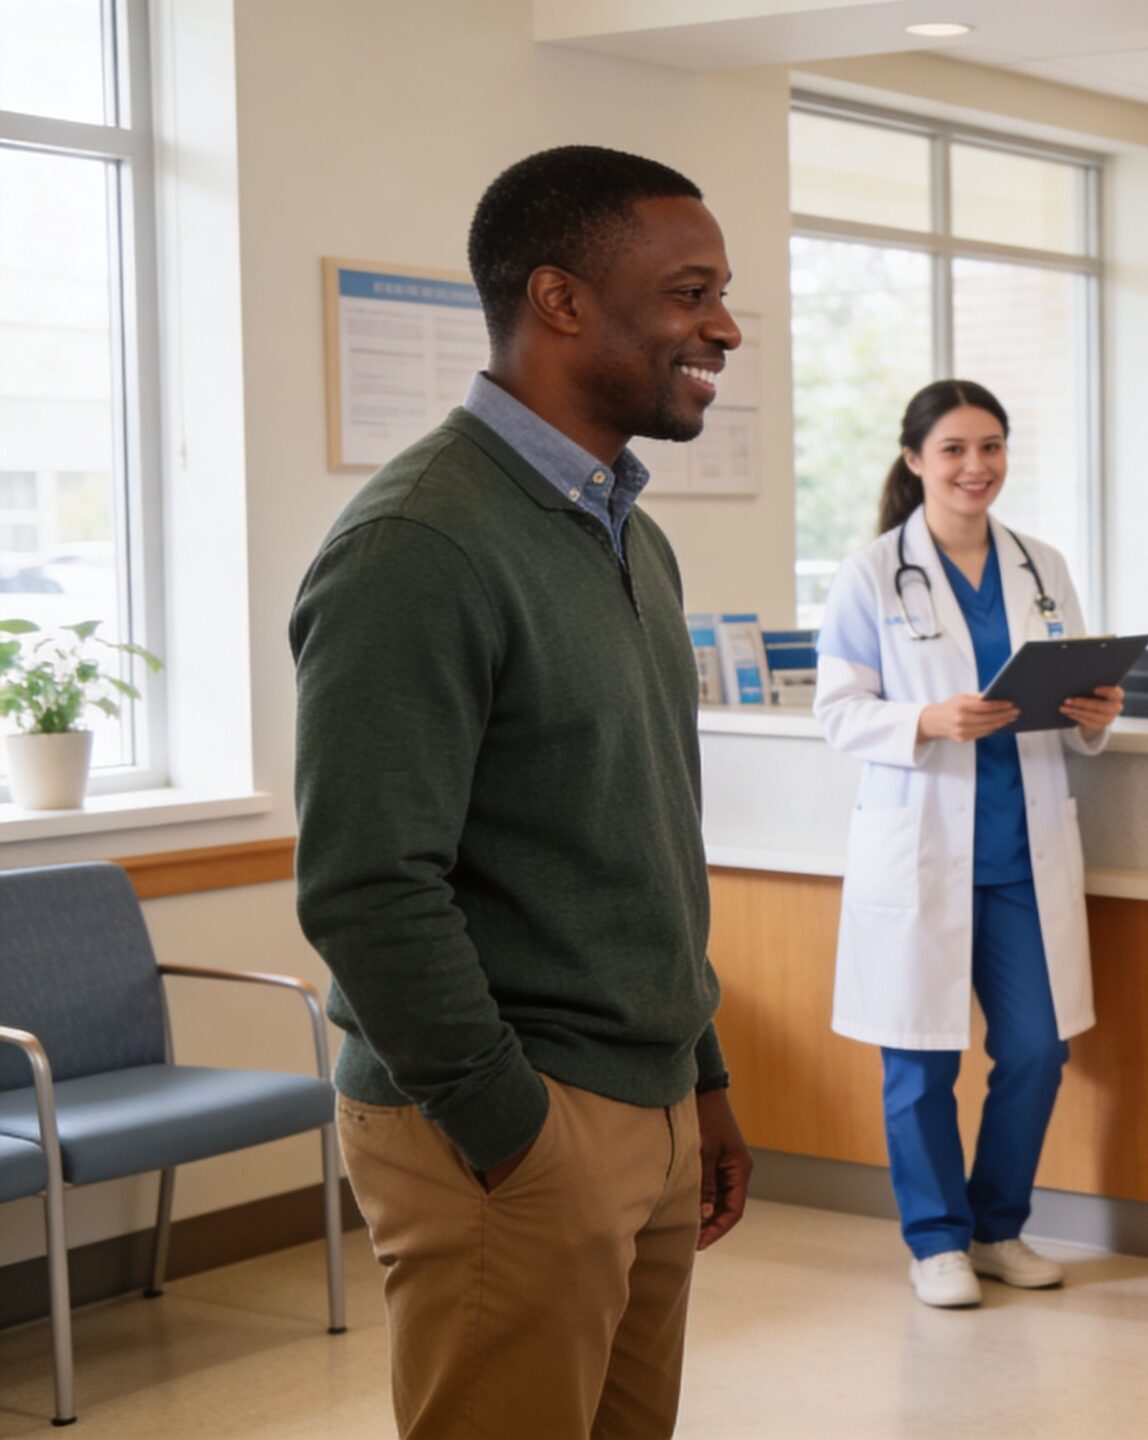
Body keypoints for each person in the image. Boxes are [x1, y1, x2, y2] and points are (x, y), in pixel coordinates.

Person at [291, 145, 752, 1440]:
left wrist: (697, 1072)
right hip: (509, 1128)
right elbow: (366, 888)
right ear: (559, 301)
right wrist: (511, 1132)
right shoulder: (419, 546)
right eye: (691, 290)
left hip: (646, 1098)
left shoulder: (628, 537)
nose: (723, 326)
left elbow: (643, 839)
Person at [814, 380, 1122, 1309]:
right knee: (919, 1058)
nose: (975, 466)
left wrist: (1096, 711)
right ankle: (937, 1241)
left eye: (991, 446)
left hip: (1023, 854)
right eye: (953, 449)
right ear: (916, 461)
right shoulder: (872, 573)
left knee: (1036, 1050)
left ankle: (997, 1227)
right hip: (920, 848)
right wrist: (927, 718)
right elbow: (837, 713)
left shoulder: (1042, 565)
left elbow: (1077, 703)